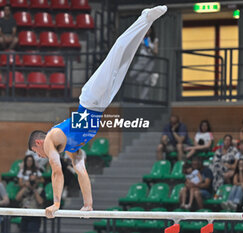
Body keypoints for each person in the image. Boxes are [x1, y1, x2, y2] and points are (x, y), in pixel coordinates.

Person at [27, 5, 168, 218]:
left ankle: (144, 16)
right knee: (125, 61)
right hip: (101, 104)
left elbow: (56, 173)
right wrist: (88, 205)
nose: (39, 156)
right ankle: (147, 22)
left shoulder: (50, 139)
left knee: (117, 54)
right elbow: (82, 172)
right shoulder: (71, 148)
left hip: (91, 98)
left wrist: (56, 204)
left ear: (39, 143)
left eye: (36, 153)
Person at [130, 26, 159, 99]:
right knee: (132, 74)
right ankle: (151, 76)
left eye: (149, 30)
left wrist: (150, 49)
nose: (147, 31)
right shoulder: (143, 37)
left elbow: (155, 52)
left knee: (146, 82)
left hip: (150, 60)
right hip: (142, 59)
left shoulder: (154, 39)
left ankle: (143, 99)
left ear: (151, 31)